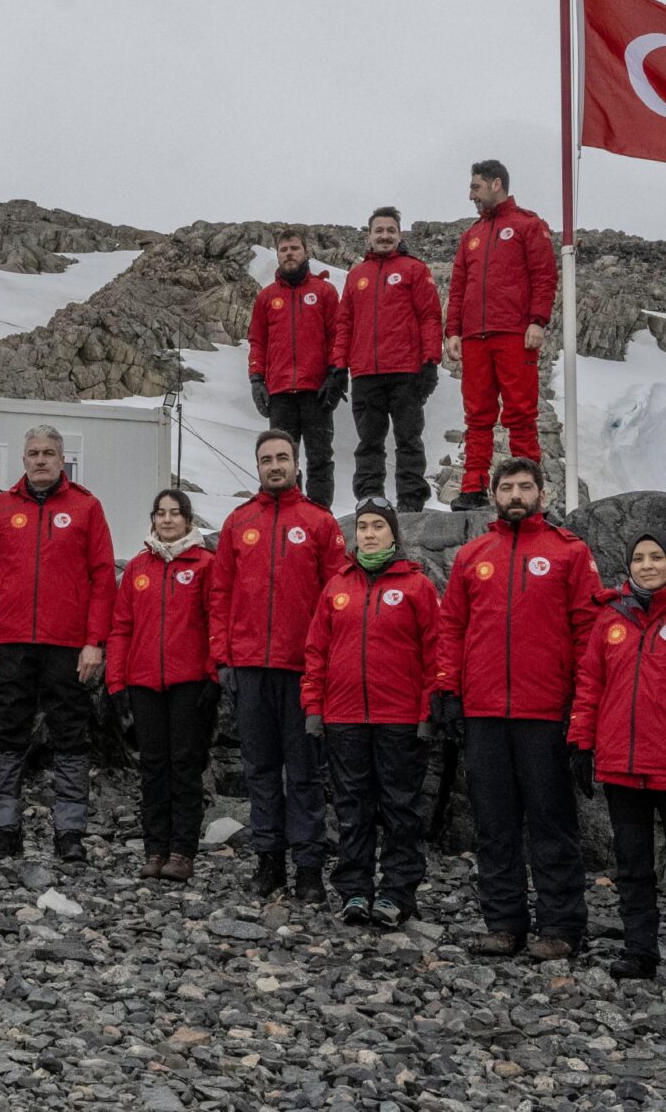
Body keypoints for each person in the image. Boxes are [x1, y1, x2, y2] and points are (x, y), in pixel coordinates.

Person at [429, 458, 603, 957]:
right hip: (484, 713)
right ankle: (503, 923)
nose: (517, 495)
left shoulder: (569, 554)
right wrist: (448, 689)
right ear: (494, 495)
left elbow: (587, 634)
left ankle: (561, 928)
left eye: (526, 486)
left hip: (545, 712)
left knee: (552, 823)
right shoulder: (472, 555)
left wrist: (580, 706)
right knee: (495, 825)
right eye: (507, 487)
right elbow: (452, 628)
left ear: (542, 495)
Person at [570, 530, 666, 994]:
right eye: (638, 558)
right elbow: (590, 684)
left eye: (656, 557)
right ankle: (639, 951)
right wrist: (582, 744)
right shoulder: (611, 618)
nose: (646, 565)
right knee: (632, 865)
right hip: (621, 765)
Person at [208, 430, 346, 900]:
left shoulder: (319, 523)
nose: (274, 465)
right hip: (249, 668)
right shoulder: (238, 522)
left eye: (282, 457)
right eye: (266, 459)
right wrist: (224, 657)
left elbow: (337, 598)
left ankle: (308, 867)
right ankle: (268, 863)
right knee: (260, 770)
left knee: (305, 773)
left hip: (302, 672)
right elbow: (220, 594)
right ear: (257, 466)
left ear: (296, 462)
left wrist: (327, 665)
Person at [0, 425, 116, 864]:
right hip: (11, 644)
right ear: (23, 458)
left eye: (49, 453)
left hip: (68, 646)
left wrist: (94, 641)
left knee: (71, 736)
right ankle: (4, 829)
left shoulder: (86, 507)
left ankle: (70, 832)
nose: (40, 460)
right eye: (33, 452)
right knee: (8, 734)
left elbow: (103, 577)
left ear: (62, 458)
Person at [301, 496, 441, 927]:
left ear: (393, 534)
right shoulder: (337, 587)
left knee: (401, 808)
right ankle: (355, 890)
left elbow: (436, 653)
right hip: (344, 718)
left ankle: (398, 892)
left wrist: (428, 711)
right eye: (363, 527)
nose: (369, 534)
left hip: (399, 719)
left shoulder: (417, 586)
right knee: (351, 807)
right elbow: (316, 651)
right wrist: (314, 705)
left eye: (378, 526)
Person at [106, 490, 220, 882]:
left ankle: (181, 851)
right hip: (144, 683)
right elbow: (121, 628)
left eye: (175, 513)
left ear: (188, 520)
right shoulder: (138, 568)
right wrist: (117, 682)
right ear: (152, 519)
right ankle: (154, 849)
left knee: (185, 767)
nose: (168, 520)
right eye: (161, 513)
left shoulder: (206, 564)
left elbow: (216, 621)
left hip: (190, 683)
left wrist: (213, 674)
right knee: (152, 767)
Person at [443, 161, 555, 510]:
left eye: (475, 187)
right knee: (477, 415)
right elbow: (459, 286)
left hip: (513, 334)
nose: (471, 195)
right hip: (476, 337)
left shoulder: (528, 225)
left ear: (495, 184)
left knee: (521, 414)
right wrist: (454, 331)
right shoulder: (471, 236)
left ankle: (527, 488)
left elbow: (544, 276)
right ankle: (473, 486)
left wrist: (537, 321)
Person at [334, 209, 445, 511]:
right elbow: (345, 323)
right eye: (378, 230)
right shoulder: (356, 276)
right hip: (365, 374)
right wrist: (338, 367)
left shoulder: (414, 269)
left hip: (406, 372)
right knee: (369, 442)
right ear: (368, 236)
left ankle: (410, 501)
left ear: (399, 235)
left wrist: (430, 362)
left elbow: (430, 316)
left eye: (390, 230)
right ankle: (370, 499)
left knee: (408, 438)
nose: (384, 235)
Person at [247, 228, 346, 506]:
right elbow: (257, 341)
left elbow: (337, 335)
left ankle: (320, 514)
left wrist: (336, 374)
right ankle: (287, 513)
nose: (289, 253)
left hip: (316, 390)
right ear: (277, 255)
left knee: (320, 457)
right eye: (283, 249)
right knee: (282, 457)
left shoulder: (324, 291)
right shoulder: (266, 298)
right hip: (279, 392)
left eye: (294, 248)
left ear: (305, 252)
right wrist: (256, 380)